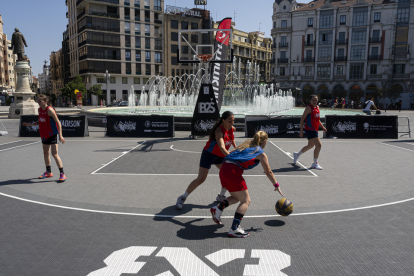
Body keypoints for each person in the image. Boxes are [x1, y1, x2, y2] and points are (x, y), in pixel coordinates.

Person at [210, 131, 284, 238]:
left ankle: (218, 209)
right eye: (266, 142)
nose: (266, 144)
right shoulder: (261, 153)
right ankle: (234, 229)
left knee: (236, 197)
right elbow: (268, 172)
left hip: (224, 168)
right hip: (233, 171)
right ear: (263, 141)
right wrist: (276, 185)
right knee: (246, 200)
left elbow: (230, 153)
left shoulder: (245, 144)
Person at [176, 111, 237, 210]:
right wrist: (232, 157)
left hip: (220, 156)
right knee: (201, 178)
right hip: (209, 154)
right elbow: (222, 147)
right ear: (223, 120)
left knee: (227, 173)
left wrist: (236, 147)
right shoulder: (218, 131)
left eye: (233, 121)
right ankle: (182, 197)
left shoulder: (232, 128)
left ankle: (221, 196)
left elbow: (231, 138)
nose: (232, 123)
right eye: (229, 121)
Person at [22, 95, 67, 182]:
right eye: (38, 101)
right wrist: (29, 124)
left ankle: (62, 174)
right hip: (44, 134)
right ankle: (48, 172)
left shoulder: (49, 110)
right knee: (46, 153)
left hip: (53, 134)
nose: (38, 102)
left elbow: (58, 122)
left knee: (54, 154)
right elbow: (40, 121)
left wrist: (61, 135)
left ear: (45, 101)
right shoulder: (39, 110)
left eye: (40, 101)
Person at [293, 95, 327, 170]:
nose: (315, 101)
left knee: (310, 145)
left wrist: (323, 127)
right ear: (310, 101)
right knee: (319, 145)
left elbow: (317, 119)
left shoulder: (317, 108)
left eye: (316, 100)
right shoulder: (308, 108)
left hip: (315, 129)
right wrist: (301, 131)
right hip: (310, 129)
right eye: (313, 100)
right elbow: (302, 119)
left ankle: (297, 154)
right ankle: (314, 163)